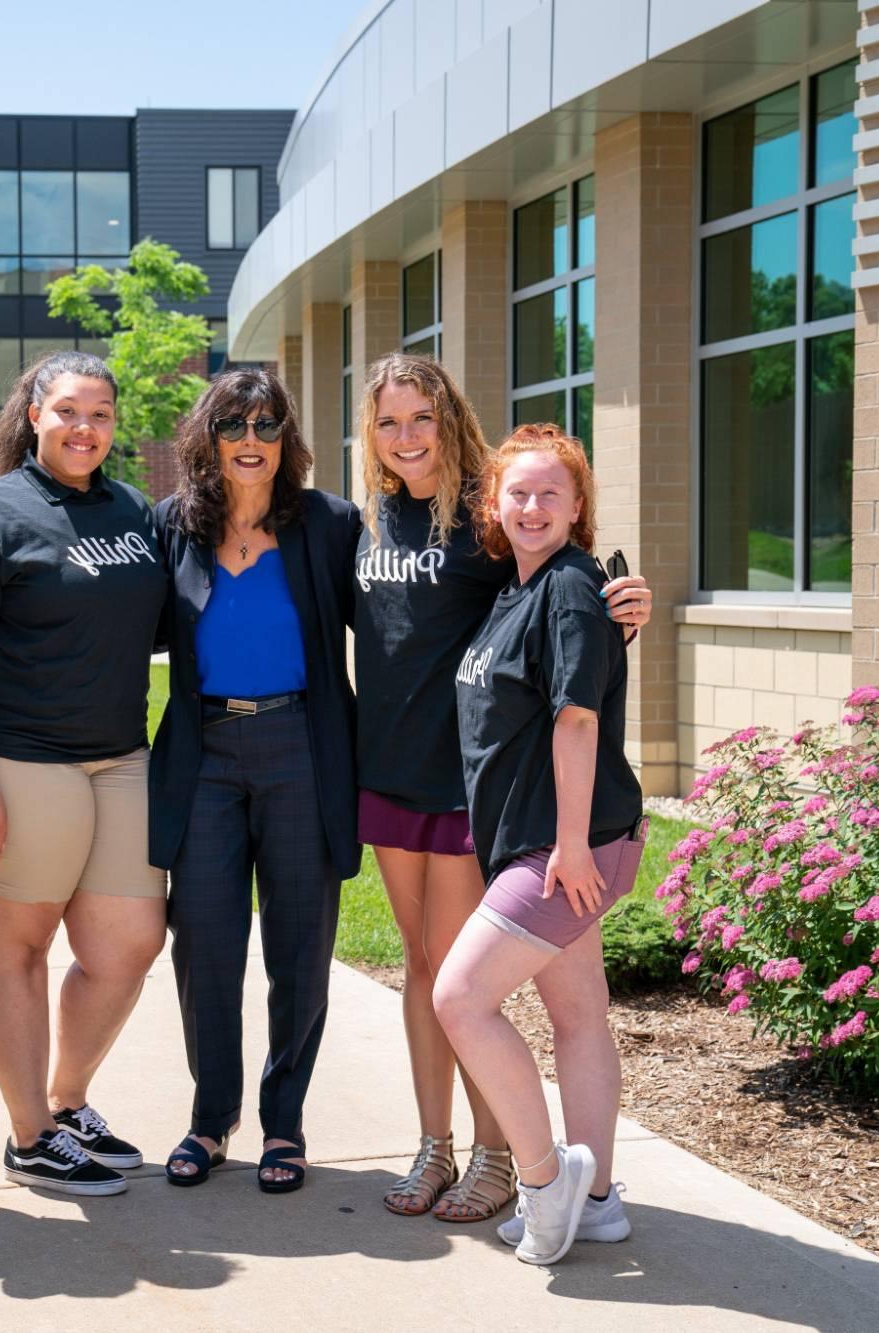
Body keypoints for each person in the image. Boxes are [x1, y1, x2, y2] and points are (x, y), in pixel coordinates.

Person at [350, 353, 649, 1223]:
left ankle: (499, 1156)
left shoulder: (488, 517)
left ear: (449, 419)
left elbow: (568, 609)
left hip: (473, 789)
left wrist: (622, 608)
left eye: (422, 418)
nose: (407, 437)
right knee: (419, 967)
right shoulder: (362, 524)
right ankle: (435, 1144)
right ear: (369, 434)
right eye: (388, 422)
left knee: (463, 980)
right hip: (389, 775)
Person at [0, 350, 168, 1197]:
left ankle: (67, 1103)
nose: (85, 427)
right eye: (68, 410)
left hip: (119, 756)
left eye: (100, 413)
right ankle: (28, 1131)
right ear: (34, 413)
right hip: (22, 761)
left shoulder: (134, 511)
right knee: (14, 949)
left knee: (130, 943)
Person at [433, 423, 647, 1267]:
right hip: (546, 841)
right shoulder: (518, 590)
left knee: (460, 997)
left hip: (566, 845)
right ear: (494, 502)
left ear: (578, 506)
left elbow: (577, 715)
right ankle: (596, 1205)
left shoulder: (566, 586)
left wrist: (567, 843)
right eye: (516, 492)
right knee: (577, 1013)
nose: (531, 506)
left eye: (549, 493)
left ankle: (546, 1177)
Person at [148, 369, 360, 1193]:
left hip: (300, 745)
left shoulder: (329, 525)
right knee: (203, 940)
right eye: (233, 423)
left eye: (267, 424)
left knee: (300, 946)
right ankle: (211, 1118)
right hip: (205, 753)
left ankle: (285, 1124)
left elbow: (405, 618)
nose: (250, 438)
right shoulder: (172, 526)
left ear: (287, 438)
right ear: (208, 437)